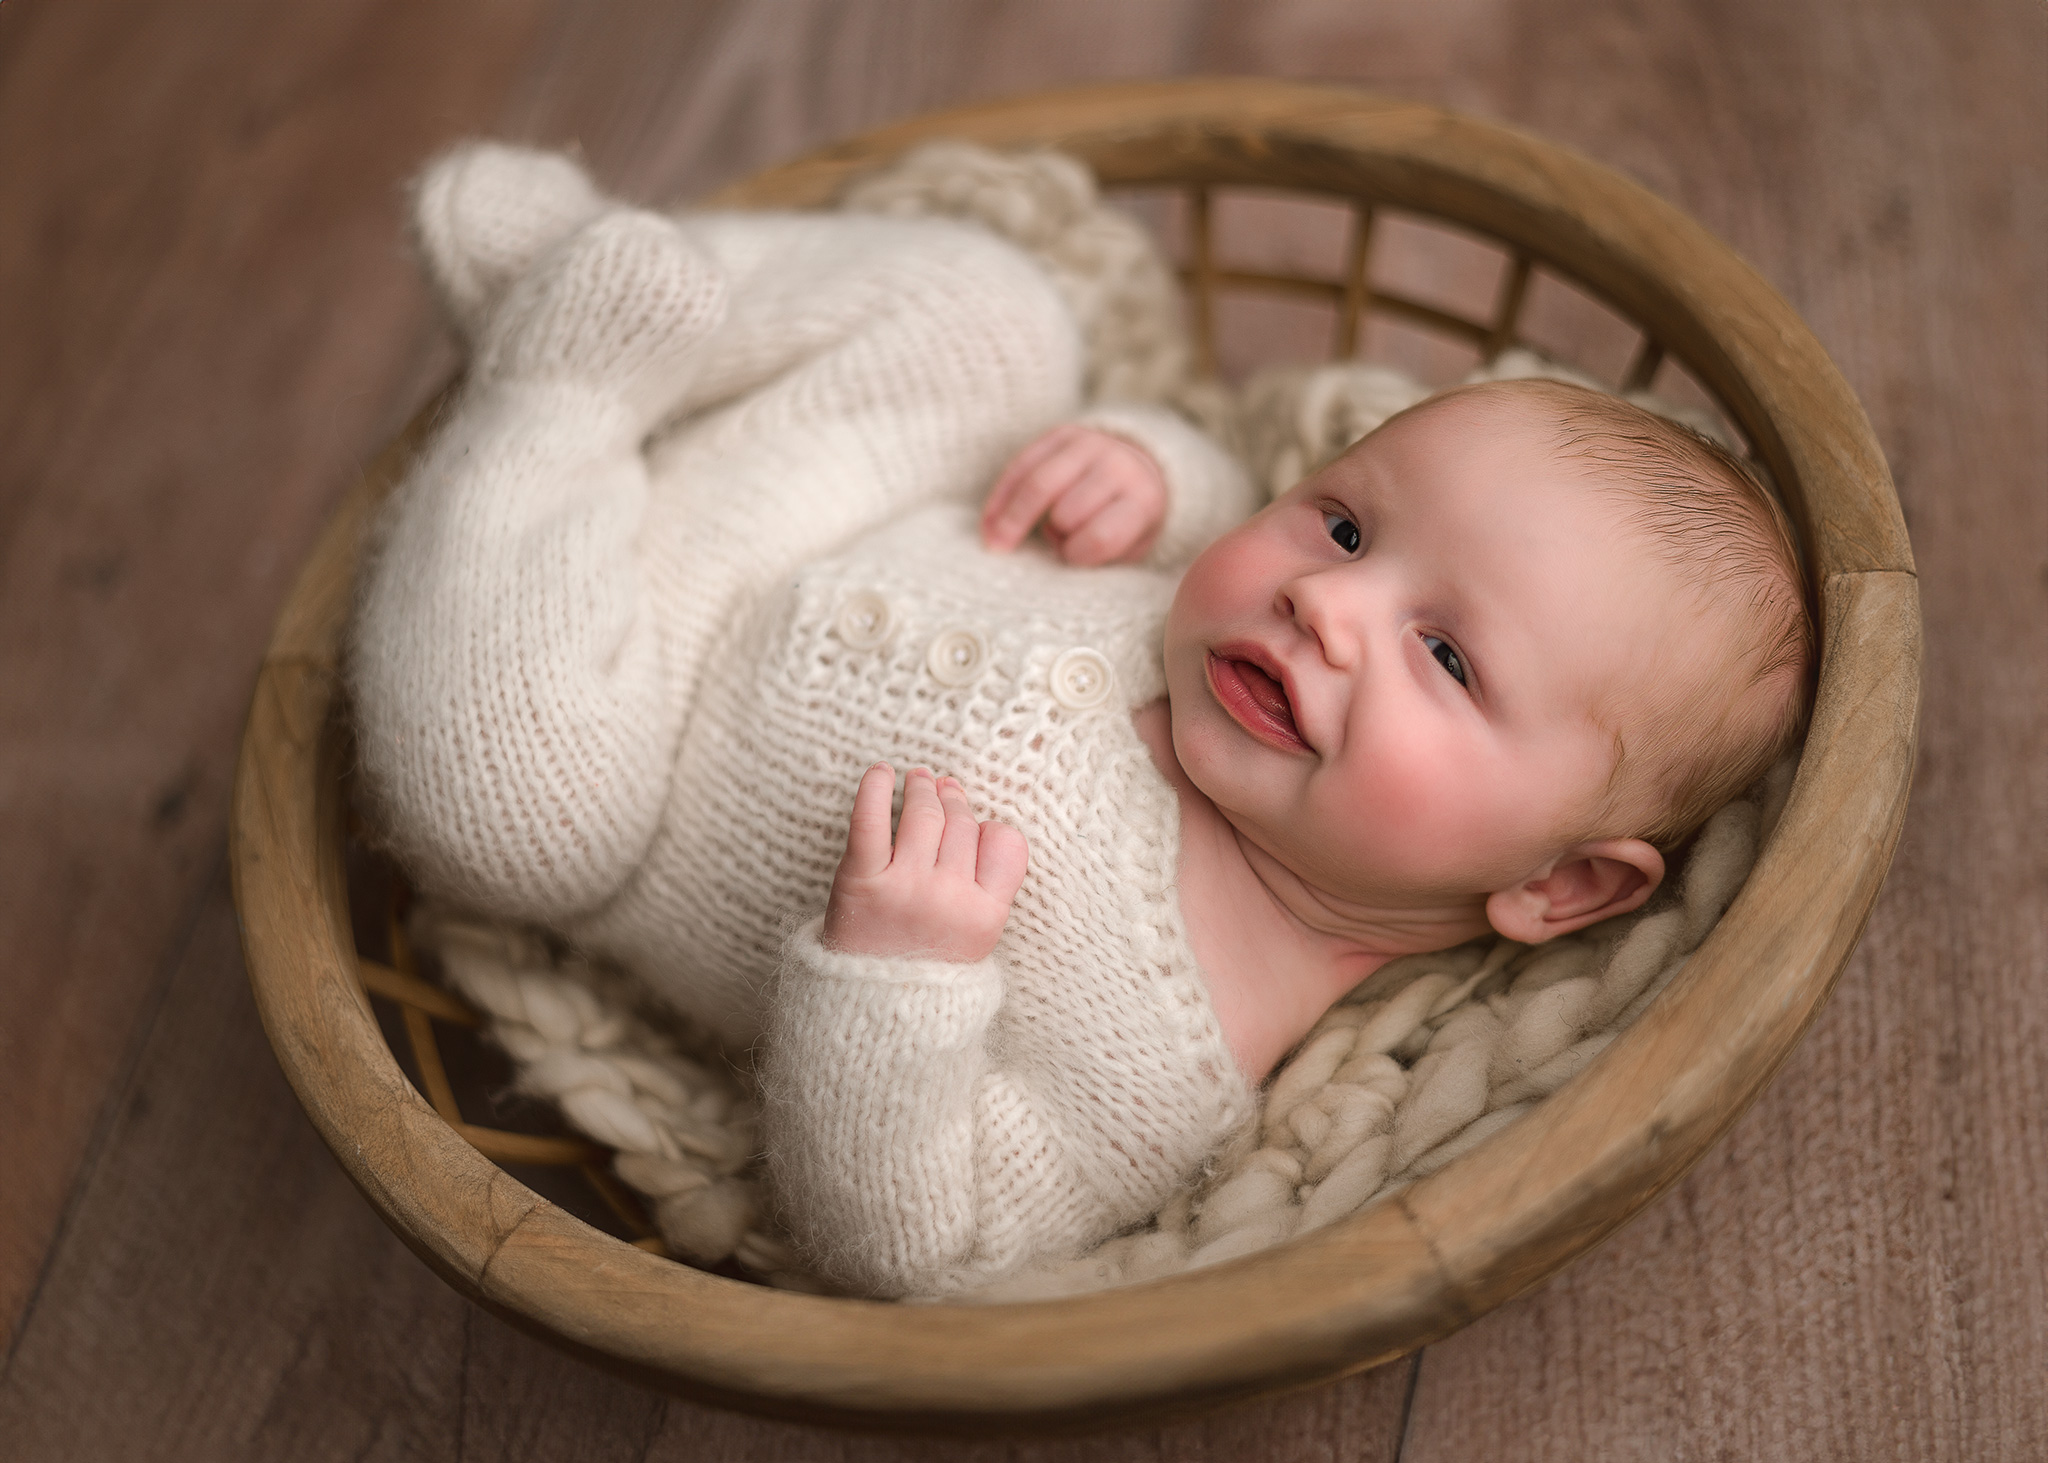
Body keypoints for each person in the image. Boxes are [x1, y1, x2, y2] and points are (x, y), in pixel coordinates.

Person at [350, 144, 1811, 1297]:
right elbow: (1206, 510)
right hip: (817, 500)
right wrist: (1144, 471)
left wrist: (899, 983)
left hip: (624, 735)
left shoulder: (1155, 1070)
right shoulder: (1230, 618)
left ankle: (555, 397)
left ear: (1561, 884)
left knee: (501, 809)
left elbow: (911, 1243)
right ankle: (630, 281)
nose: (1325, 604)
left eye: (1445, 656)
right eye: (1347, 526)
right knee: (1000, 323)